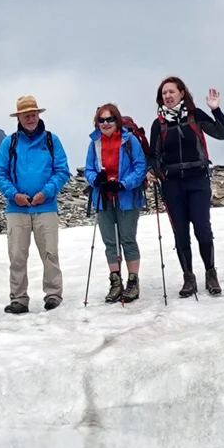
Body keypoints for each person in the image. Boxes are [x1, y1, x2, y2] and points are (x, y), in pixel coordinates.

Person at [145, 75, 224, 299]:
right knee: (180, 233)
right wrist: (152, 170)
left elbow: (222, 134)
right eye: (164, 93)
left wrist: (216, 110)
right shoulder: (159, 124)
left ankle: (210, 273)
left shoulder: (195, 115)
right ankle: (188, 277)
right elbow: (153, 155)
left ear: (182, 93)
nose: (168, 96)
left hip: (198, 180)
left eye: (171, 92)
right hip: (172, 184)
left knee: (202, 229)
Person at [0, 94, 69, 315]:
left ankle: (53, 294)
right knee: (17, 255)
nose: (30, 118)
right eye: (26, 115)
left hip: (46, 207)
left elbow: (62, 170)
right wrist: (13, 194)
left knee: (50, 253)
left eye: (33, 114)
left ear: (38, 115)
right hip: (17, 208)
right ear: (19, 117)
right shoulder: (10, 142)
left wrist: (46, 192)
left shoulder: (51, 141)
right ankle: (18, 298)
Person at [82, 103, 147, 303]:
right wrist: (97, 180)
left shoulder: (130, 141)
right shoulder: (95, 143)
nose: (106, 123)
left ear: (117, 120)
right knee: (110, 241)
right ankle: (116, 282)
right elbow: (88, 169)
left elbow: (140, 166)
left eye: (109, 119)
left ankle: (132, 282)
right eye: (101, 120)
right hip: (104, 198)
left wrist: (123, 185)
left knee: (127, 239)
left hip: (126, 197)